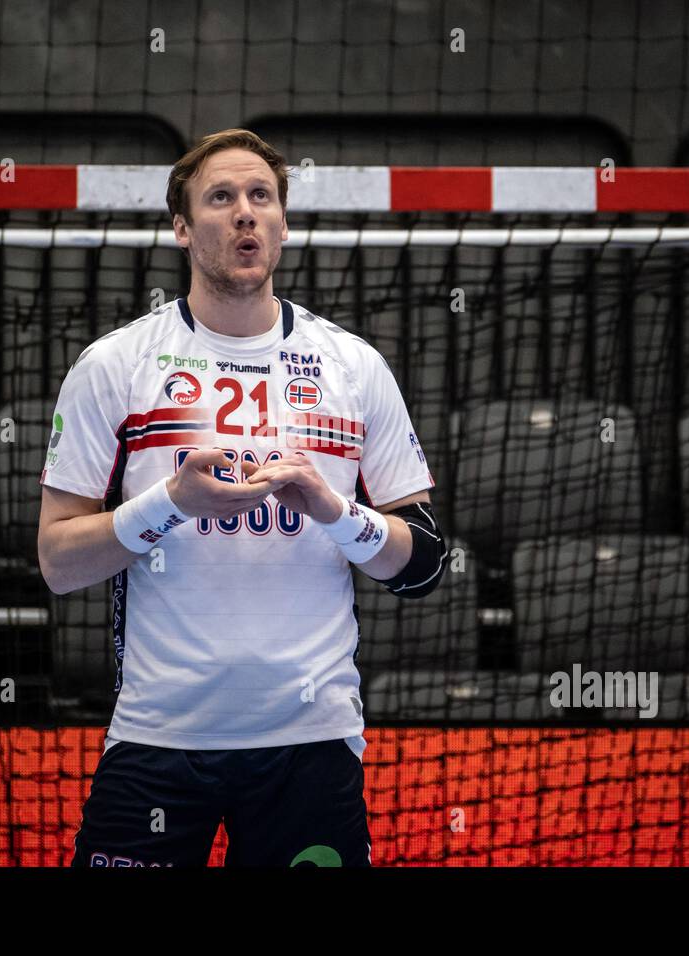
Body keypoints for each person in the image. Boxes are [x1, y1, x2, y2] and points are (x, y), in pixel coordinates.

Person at [38, 128, 448, 867]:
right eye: (220, 198)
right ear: (183, 228)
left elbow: (423, 566)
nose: (244, 213)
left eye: (262, 196)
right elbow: (58, 563)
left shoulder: (352, 367)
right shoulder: (115, 365)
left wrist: (335, 510)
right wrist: (170, 501)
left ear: (284, 224)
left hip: (311, 743)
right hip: (161, 737)